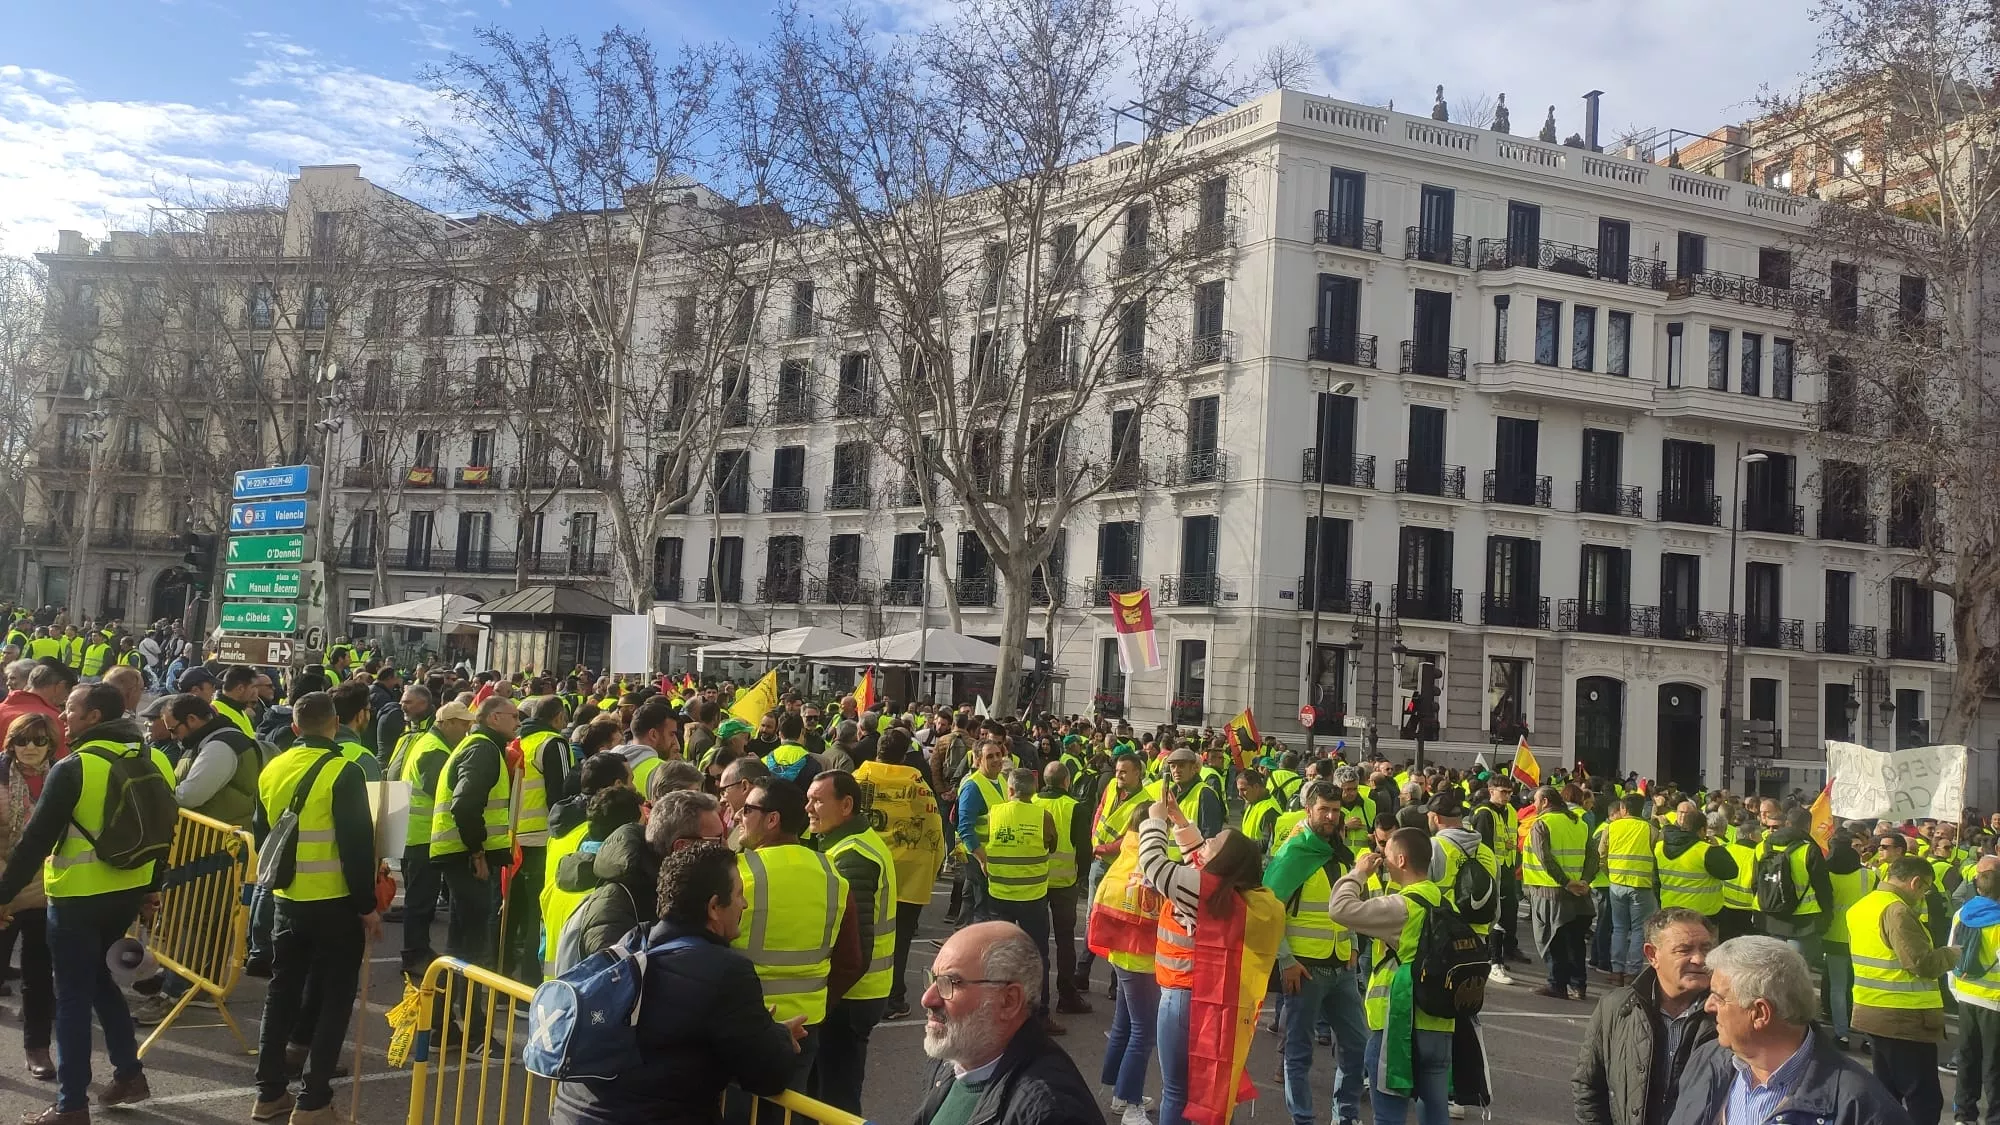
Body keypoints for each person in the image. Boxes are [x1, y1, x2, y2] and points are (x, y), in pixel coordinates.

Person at [0, 682, 175, 1125]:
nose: (63, 716)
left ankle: (71, 1105)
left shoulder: (74, 768)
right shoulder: (154, 759)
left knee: (73, 997)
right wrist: (151, 887)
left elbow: (33, 844)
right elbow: (163, 834)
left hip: (78, 897)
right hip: (127, 892)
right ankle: (130, 1074)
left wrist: (2, 898)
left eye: (72, 709)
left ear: (95, 717)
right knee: (99, 981)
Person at [551, 842, 808, 1125]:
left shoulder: (634, 942)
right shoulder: (727, 971)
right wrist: (780, 1038)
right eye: (739, 895)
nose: (744, 904)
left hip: (571, 1114)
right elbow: (767, 1075)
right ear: (713, 907)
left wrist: (755, 1031)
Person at [249, 691, 382, 1125]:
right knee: (333, 1002)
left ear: (294, 726)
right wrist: (368, 906)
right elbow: (356, 845)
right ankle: (313, 1101)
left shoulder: (274, 767)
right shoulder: (342, 772)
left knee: (281, 994)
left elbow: (263, 831)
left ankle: (269, 1094)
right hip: (335, 903)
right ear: (335, 724)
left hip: (287, 900)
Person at [1138, 799, 1282, 1125]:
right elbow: (1196, 856)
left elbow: (1153, 863)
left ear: (1222, 861)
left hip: (1182, 1000)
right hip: (1216, 1002)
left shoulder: (1201, 889)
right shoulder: (1237, 894)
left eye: (1215, 841)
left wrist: (1155, 821)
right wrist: (1178, 818)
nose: (1208, 841)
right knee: (1210, 1090)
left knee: (1177, 1092)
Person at [1667, 936, 1911, 1125]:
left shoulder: (1860, 1104)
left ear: (1760, 1013)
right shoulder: (1707, 1059)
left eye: (1719, 997)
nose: (1708, 1006)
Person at [732, 777, 859, 1093]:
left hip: (742, 1024)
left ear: (772, 820)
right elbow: (850, 961)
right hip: (805, 1026)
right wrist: (819, 1008)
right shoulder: (832, 873)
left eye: (747, 809)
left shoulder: (735, 872)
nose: (737, 816)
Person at [909, 921, 1104, 1125]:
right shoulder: (957, 1057)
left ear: (1009, 1001)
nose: (927, 999)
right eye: (933, 979)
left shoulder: (1050, 1114)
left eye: (950, 983)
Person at [1326, 827, 1456, 1125]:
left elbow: (1340, 908)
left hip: (1397, 1023)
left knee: (1388, 1114)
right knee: (1435, 1110)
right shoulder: (1444, 901)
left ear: (1401, 859)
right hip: (1439, 1022)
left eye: (1385, 856)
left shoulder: (1402, 906)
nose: (1381, 861)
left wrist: (1358, 873)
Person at [1265, 780, 1366, 1125]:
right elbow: (1268, 910)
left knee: (1357, 1047)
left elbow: (1346, 904)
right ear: (1308, 809)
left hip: (1341, 967)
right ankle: (1303, 1119)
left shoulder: (1337, 850)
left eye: (1336, 811)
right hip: (1304, 968)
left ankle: (1346, 1116)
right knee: (1299, 1051)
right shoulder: (1294, 852)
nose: (1331, 816)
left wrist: (1352, 944)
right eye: (1324, 809)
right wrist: (1286, 961)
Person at [1571, 907, 1719, 1125]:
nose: (1699, 959)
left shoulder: (1728, 1014)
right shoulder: (1616, 1007)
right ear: (1652, 955)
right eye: (1683, 950)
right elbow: (1588, 1086)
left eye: (1706, 949)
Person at [807, 770, 898, 1113]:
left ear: (846, 805)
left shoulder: (853, 856)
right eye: (808, 799)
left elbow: (854, 950)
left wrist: (824, 1001)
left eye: (817, 800)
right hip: (857, 993)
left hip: (852, 996)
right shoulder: (843, 844)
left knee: (836, 1100)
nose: (809, 808)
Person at [429, 694, 519, 1027]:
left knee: (460, 942)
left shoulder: (481, 746)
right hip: (466, 856)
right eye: (514, 716)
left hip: (459, 854)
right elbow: (465, 804)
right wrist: (477, 852)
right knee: (474, 945)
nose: (518, 722)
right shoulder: (482, 748)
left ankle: (444, 1026)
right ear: (494, 717)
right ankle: (473, 1028)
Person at [1850, 854, 1958, 1124]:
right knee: (1924, 1097)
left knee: (1886, 1092)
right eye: (1925, 888)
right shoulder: (1897, 910)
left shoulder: (1864, 905)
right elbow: (1921, 962)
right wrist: (1953, 954)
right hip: (1904, 1016)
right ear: (1915, 882)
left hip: (1873, 1010)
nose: (1923, 896)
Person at [851, 726, 944, 1021]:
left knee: (858, 932)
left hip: (861, 869)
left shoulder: (855, 780)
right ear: (905, 755)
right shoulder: (917, 785)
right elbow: (933, 828)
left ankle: (856, 992)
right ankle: (893, 997)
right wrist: (934, 865)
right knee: (901, 938)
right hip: (907, 875)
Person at [981, 768, 1060, 1032]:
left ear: (1010, 790)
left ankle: (996, 1013)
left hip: (999, 895)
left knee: (998, 957)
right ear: (1034, 791)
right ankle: (1040, 1015)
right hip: (1033, 898)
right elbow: (1052, 845)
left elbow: (982, 842)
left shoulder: (995, 812)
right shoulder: (1043, 816)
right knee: (1037, 956)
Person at [0, 714, 57, 1080]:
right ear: (11, 743)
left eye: (39, 740)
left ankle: (37, 1049)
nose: (31, 748)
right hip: (3, 886)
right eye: (23, 740)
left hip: (48, 887)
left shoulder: (63, 775)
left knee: (38, 976)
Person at [550, 787, 660, 969]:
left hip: (556, 986)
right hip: (585, 987)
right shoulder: (619, 881)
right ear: (628, 832)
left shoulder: (567, 872)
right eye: (643, 821)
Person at [399, 698, 470, 974]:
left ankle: (418, 950)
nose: (465, 731)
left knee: (421, 899)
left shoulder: (431, 744)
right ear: (448, 723)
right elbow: (439, 790)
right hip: (422, 836)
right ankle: (414, 954)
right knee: (419, 900)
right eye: (463, 725)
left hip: (419, 834)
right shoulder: (434, 750)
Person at [1524, 785, 1598, 1001]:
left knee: (1552, 940)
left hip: (1551, 892)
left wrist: (1566, 882)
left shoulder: (1542, 824)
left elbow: (1544, 859)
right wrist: (1585, 880)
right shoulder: (1579, 822)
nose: (1534, 805)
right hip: (1580, 894)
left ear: (1545, 802)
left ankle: (1557, 985)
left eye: (1536, 801)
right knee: (1575, 942)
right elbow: (1593, 856)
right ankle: (1579, 986)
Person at [1037, 759, 1093, 1015]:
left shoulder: (1033, 802)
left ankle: (1037, 996)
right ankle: (1066, 995)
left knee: (1035, 940)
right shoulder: (1075, 808)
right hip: (1066, 881)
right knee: (1065, 940)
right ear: (1066, 781)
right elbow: (1084, 848)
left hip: (1035, 880)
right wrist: (1080, 875)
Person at [1951, 855, 2000, 1125]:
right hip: (1994, 1001)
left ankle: (1963, 1115)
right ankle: (1995, 1117)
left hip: (1966, 994)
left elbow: (1952, 951)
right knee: (1994, 1065)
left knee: (1967, 1058)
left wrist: (1955, 989)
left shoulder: (1963, 914)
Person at [1472, 775, 1524, 981]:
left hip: (1508, 869)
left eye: (1510, 792)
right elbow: (1482, 847)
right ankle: (1494, 961)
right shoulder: (1484, 813)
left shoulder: (1510, 811)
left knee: (1509, 915)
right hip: (1492, 872)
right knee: (1495, 918)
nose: (1507, 796)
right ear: (1491, 790)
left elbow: (1512, 839)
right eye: (1503, 792)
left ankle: (1504, 953)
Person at [956, 740, 1012, 924]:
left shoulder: (1001, 780)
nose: (997, 759)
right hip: (978, 855)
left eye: (998, 754)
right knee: (983, 909)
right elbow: (965, 827)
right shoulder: (973, 787)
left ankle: (962, 937)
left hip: (992, 854)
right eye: (990, 756)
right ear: (978, 760)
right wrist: (982, 858)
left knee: (972, 901)